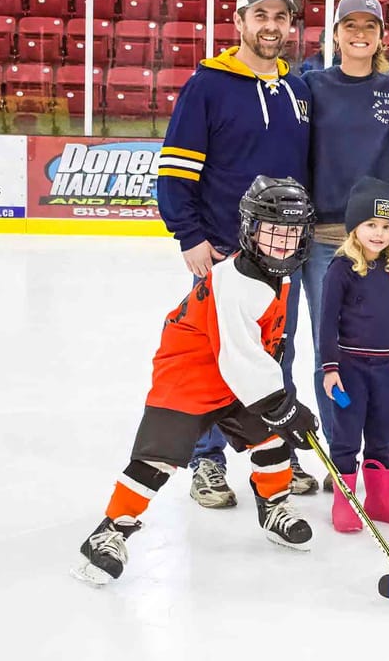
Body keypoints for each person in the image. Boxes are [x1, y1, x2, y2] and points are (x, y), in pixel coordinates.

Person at [71, 177, 320, 586]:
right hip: (189, 375)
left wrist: (279, 410)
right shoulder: (235, 282)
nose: (282, 242)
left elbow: (255, 352)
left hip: (235, 379)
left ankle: (274, 507)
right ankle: (110, 532)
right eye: (272, 230)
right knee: (157, 459)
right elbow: (238, 358)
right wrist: (281, 406)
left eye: (292, 232)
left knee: (271, 440)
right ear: (251, 229)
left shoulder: (280, 275)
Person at [157, 0, 313, 508]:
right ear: (239, 21)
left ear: (290, 26)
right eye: (260, 15)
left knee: (275, 355)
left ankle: (278, 454)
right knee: (212, 360)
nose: (271, 26)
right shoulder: (208, 85)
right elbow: (176, 170)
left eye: (280, 17)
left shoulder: (298, 90)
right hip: (223, 253)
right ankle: (207, 460)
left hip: (281, 258)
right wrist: (189, 235)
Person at [282, 0, 389, 494]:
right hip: (325, 240)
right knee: (327, 349)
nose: (359, 34)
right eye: (349, 25)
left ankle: (378, 458)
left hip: (380, 242)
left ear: (381, 36)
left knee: (379, 352)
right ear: (334, 34)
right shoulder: (313, 86)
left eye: (369, 26)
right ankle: (341, 457)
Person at [320, 178, 389, 533]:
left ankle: (379, 500)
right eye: (371, 225)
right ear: (354, 227)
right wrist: (330, 368)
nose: (379, 233)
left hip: (387, 371)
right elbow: (327, 323)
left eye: (386, 227)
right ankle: (344, 503)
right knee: (347, 438)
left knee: (382, 436)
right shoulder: (340, 269)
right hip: (350, 371)